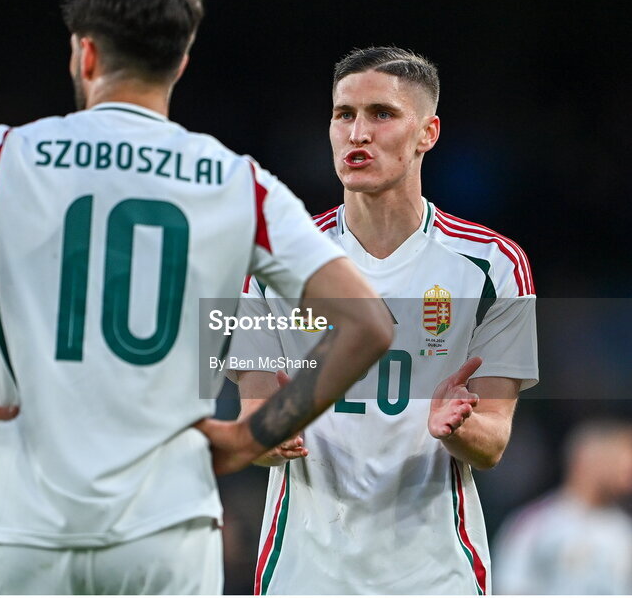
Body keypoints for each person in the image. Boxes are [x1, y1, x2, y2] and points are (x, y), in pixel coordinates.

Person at [0, 0, 392, 594]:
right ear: (181, 61)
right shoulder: (238, 184)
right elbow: (367, 322)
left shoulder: (2, 159)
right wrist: (245, 437)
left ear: (85, 53)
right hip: (166, 529)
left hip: (24, 529)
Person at [229, 46, 539, 594]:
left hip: (435, 574)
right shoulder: (272, 258)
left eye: (382, 114)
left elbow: (493, 443)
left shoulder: (492, 265)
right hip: (305, 572)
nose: (357, 133)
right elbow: (252, 420)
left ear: (428, 133)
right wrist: (272, 432)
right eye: (343, 114)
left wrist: (460, 426)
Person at [493, 418, 632, 594]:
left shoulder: (629, 534)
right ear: (587, 457)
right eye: (621, 458)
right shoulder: (534, 523)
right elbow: (509, 587)